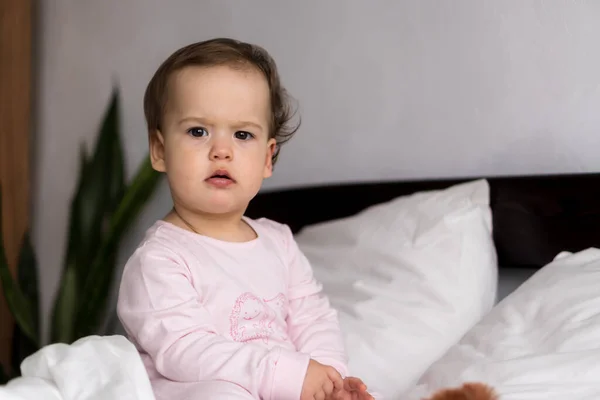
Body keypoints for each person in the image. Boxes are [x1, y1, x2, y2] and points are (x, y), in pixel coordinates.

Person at [116, 38, 374, 400]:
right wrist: (288, 375)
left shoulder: (279, 242)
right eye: (197, 131)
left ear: (268, 158)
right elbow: (185, 352)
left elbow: (312, 320)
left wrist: (327, 381)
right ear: (160, 151)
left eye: (242, 134)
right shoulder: (159, 259)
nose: (221, 150)